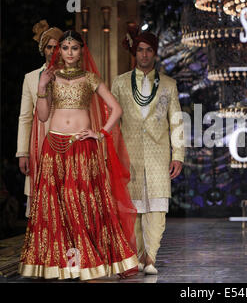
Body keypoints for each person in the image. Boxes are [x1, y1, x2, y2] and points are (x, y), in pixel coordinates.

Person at [18, 30, 139, 280]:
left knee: (82, 203)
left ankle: (88, 264)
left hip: (82, 147)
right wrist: (41, 86)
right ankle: (62, 265)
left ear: (81, 51)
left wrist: (100, 133)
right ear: (59, 51)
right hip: (54, 146)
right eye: (65, 48)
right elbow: (41, 116)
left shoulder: (90, 78)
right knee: (57, 207)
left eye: (74, 48)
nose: (69, 53)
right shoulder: (51, 79)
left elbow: (115, 109)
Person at [112, 29, 184, 275]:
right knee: (133, 208)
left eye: (149, 50)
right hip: (128, 152)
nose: (144, 54)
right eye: (140, 49)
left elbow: (176, 121)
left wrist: (178, 156)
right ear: (135, 52)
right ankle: (138, 254)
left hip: (158, 152)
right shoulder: (120, 83)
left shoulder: (167, 84)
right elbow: (113, 121)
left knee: (156, 206)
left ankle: (151, 256)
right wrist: (111, 154)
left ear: (154, 53)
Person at [16, 20, 63, 217]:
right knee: (42, 202)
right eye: (49, 47)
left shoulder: (73, 76)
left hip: (66, 140)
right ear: (43, 50)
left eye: (57, 47)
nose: (53, 51)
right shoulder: (31, 77)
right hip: (40, 141)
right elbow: (25, 117)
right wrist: (22, 152)